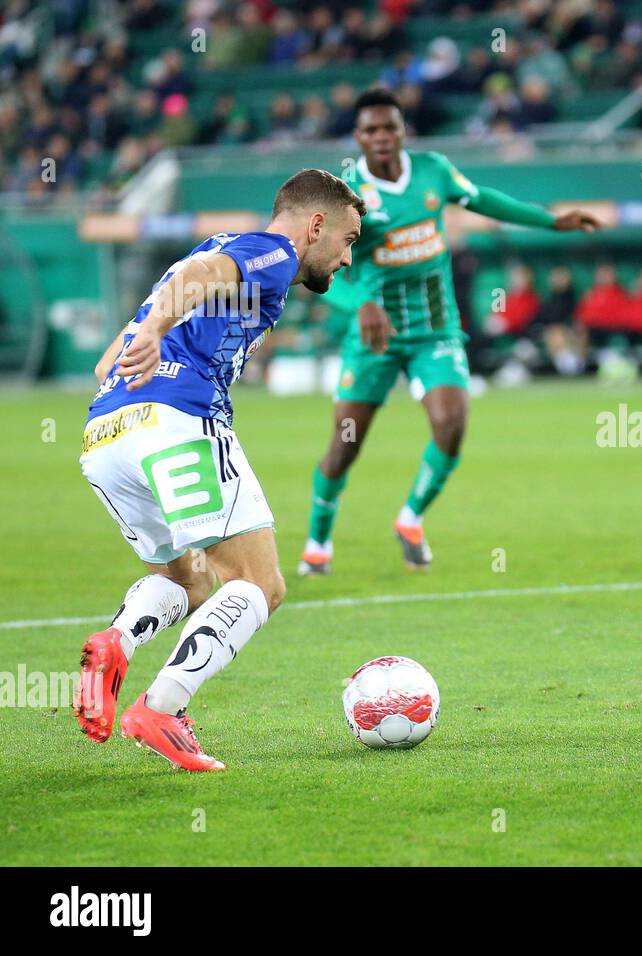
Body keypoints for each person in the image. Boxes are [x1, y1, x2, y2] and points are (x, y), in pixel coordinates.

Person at [76, 169, 364, 771]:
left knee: (189, 581)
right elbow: (197, 282)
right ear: (316, 225)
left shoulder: (217, 245)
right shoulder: (273, 253)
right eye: (348, 239)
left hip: (106, 431)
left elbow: (112, 359)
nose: (347, 258)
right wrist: (159, 334)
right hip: (178, 421)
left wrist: (149, 341)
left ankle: (116, 643)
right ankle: (162, 708)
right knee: (260, 584)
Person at [299, 88, 600, 576]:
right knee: (344, 446)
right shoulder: (345, 195)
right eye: (370, 129)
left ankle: (411, 519)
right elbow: (314, 271)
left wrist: (550, 221)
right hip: (376, 333)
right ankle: (318, 542)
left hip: (435, 325)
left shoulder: (434, 170)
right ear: (357, 136)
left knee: (452, 425)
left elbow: (482, 200)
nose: (381, 136)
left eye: (389, 127)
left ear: (402, 130)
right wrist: (363, 302)